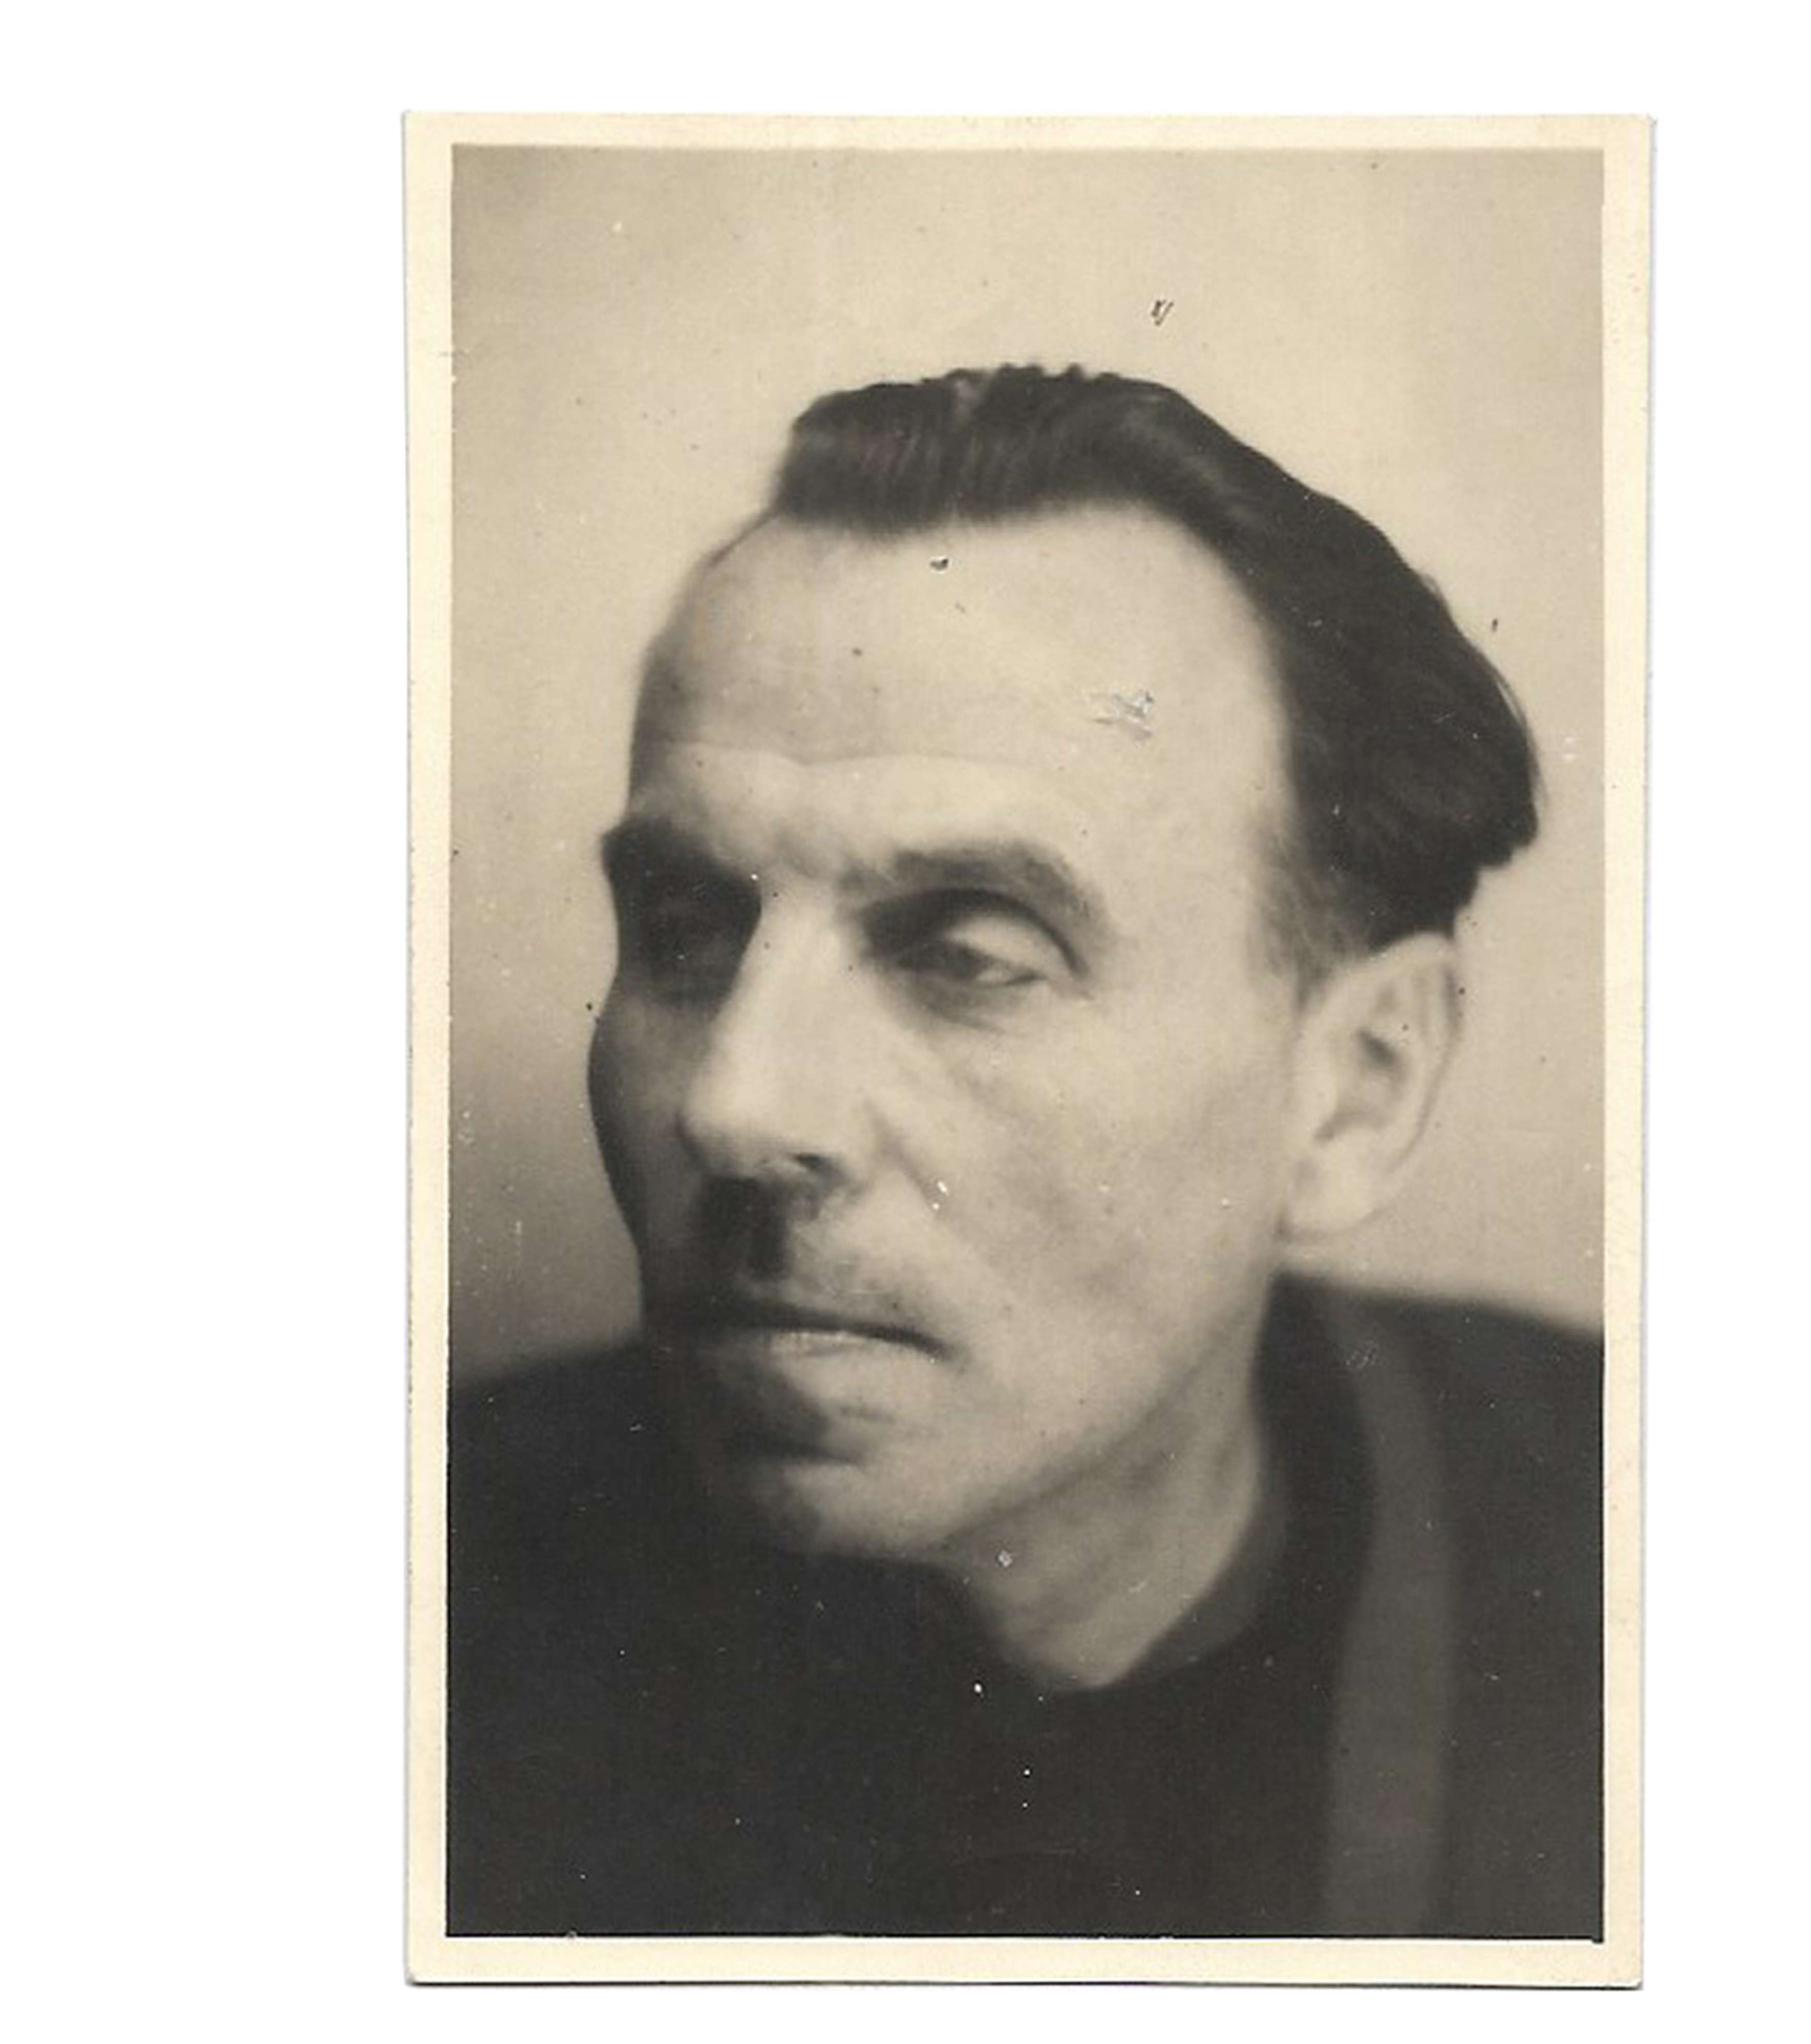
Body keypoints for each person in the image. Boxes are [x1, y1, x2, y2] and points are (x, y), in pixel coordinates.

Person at [446, 365, 1602, 1940]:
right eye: (688, 926)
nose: (734, 1106)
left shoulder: (1621, 1550)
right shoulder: (425, 1582)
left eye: (972, 954)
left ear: (1354, 1093)